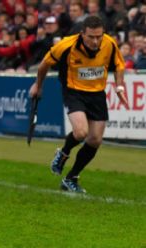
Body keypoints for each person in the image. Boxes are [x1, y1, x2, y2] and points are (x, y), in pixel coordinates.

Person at [29, 15, 127, 193]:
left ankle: (71, 178)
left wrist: (119, 86)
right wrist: (38, 85)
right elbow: (44, 64)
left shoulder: (109, 43)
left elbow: (119, 65)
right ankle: (64, 152)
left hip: (97, 93)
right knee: (81, 132)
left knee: (95, 139)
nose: (96, 41)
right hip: (74, 91)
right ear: (82, 34)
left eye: (99, 36)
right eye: (91, 37)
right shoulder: (66, 45)